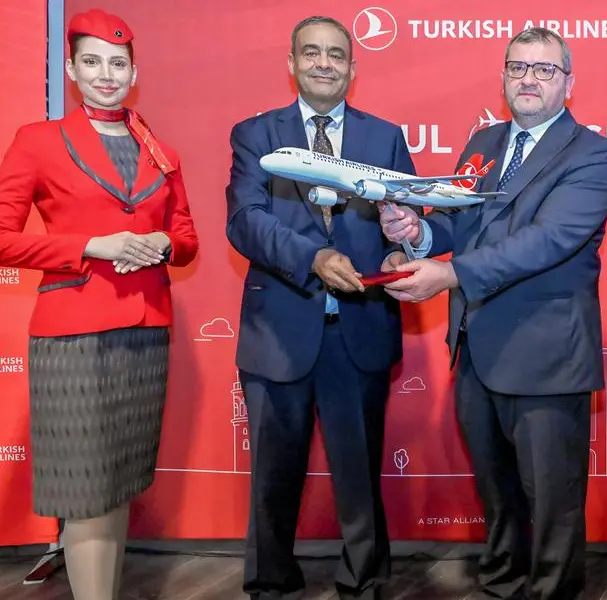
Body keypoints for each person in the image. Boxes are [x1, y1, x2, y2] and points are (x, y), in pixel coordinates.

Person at [378, 27, 607, 600]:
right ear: (504, 76)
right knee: (498, 495)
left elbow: (547, 241)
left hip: (547, 356)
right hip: (476, 348)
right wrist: (416, 233)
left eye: (544, 69)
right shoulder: (484, 142)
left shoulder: (593, 153)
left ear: (569, 83)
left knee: (553, 502)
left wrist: (450, 275)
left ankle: (554, 593)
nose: (529, 79)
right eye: (518, 67)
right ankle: (502, 582)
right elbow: (461, 224)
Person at [0, 8, 198, 600]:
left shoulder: (160, 151)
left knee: (117, 485)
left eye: (117, 64)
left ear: (134, 73)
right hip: (74, 335)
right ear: (71, 70)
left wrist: (161, 243)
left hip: (145, 332)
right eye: (92, 62)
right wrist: (91, 245)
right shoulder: (38, 141)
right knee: (86, 492)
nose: (106, 74)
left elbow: (187, 239)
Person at [225, 15, 416, 600]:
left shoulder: (385, 138)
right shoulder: (256, 134)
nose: (324, 63)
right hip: (279, 331)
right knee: (272, 478)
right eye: (311, 53)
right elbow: (246, 221)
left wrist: (405, 239)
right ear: (291, 63)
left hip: (359, 330)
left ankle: (363, 582)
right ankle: (270, 583)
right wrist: (312, 258)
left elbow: (405, 223)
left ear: (353, 68)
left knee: (358, 474)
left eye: (336, 54)